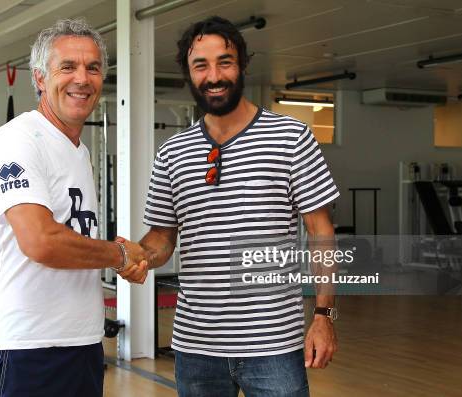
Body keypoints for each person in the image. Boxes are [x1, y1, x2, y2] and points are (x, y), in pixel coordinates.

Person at [127, 16, 340, 397]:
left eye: (224, 61)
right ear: (189, 74)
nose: (214, 75)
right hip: (196, 347)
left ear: (241, 65)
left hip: (274, 347)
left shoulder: (291, 138)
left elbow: (321, 231)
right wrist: (137, 255)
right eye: (201, 65)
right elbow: (162, 238)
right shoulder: (172, 153)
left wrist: (324, 316)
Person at [0, 18, 147, 397]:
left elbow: (71, 234)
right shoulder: (18, 140)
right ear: (39, 78)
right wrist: (118, 255)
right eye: (67, 67)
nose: (82, 78)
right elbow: (42, 242)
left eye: (93, 68)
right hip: (24, 350)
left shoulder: (79, 150)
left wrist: (123, 255)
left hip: (81, 343)